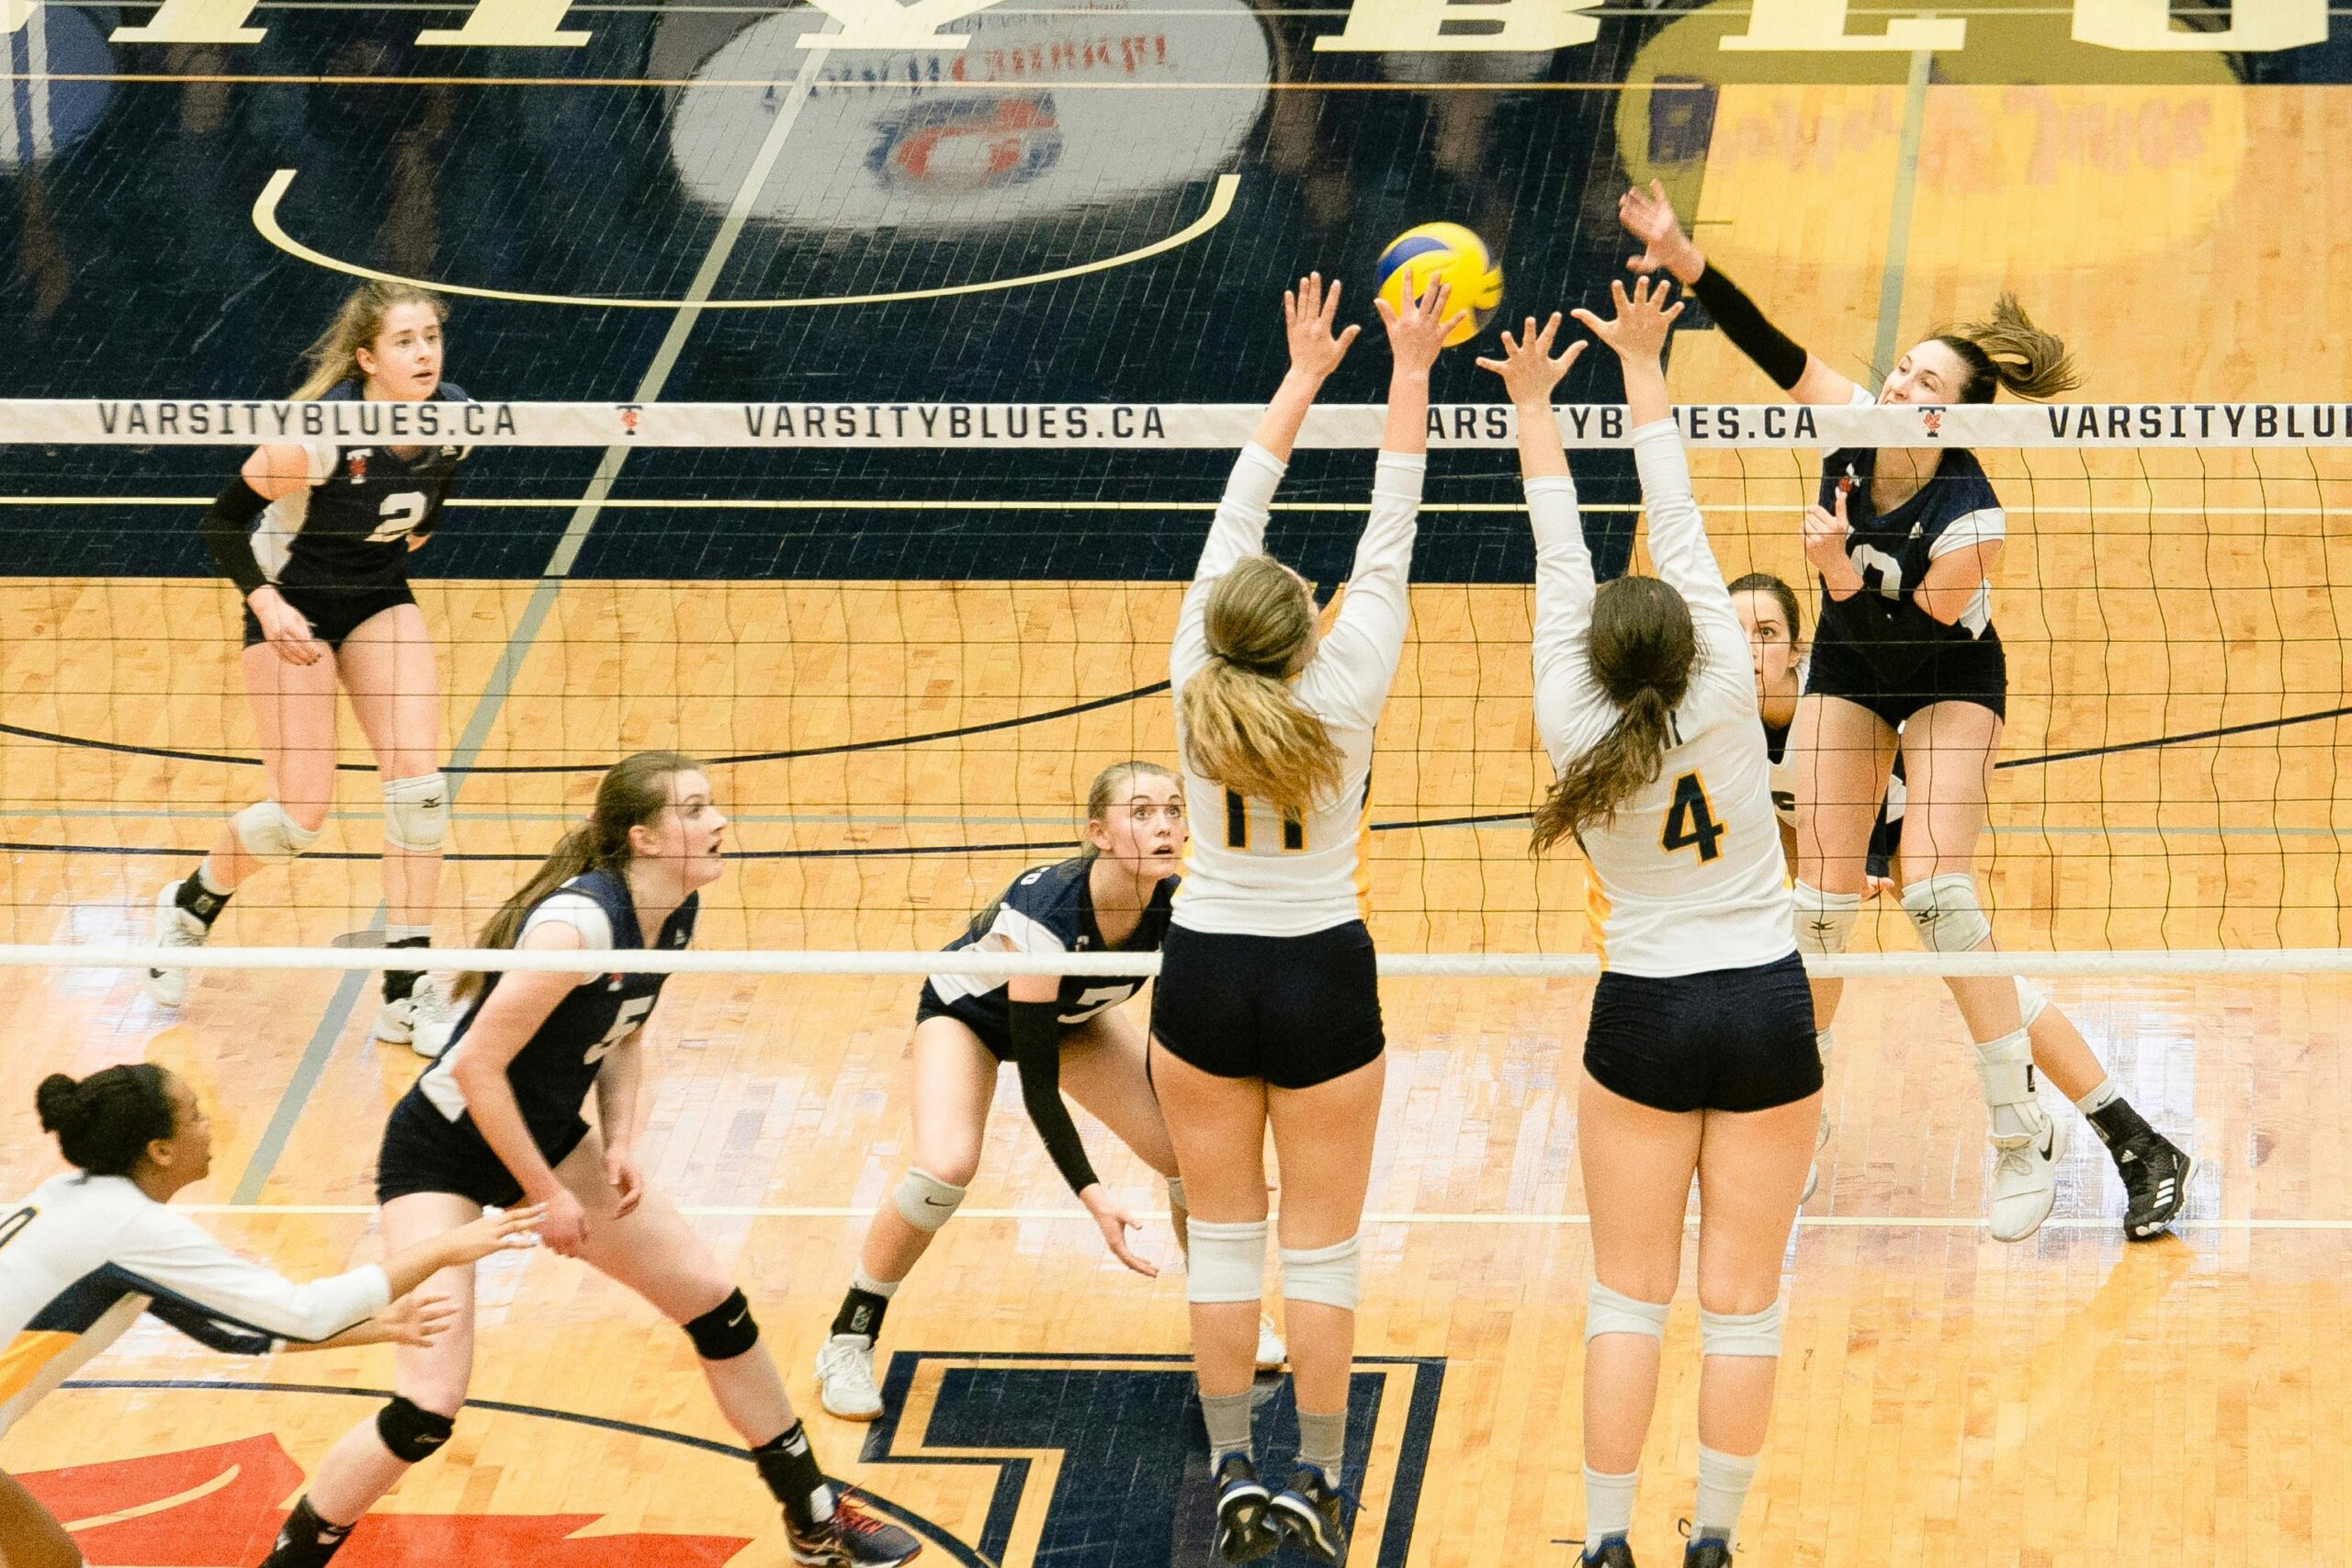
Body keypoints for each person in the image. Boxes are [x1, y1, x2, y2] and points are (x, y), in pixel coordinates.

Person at [1619, 180, 2194, 1241]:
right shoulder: (1850, 427)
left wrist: (1838, 570)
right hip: (1852, 672)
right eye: (1899, 366)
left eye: (1923, 380)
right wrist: (1683, 255)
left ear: (1952, 412)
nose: (1896, 382)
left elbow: (1926, 632)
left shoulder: (1973, 516)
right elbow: (1768, 343)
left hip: (1945, 685)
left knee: (1936, 894)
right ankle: (1789, 1122)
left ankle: (2021, 1132)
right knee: (1821, 914)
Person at [257, 751, 921, 1568]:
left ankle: (814, 1515)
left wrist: (624, 1139)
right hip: (443, 1149)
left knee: (717, 1306)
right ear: (642, 836)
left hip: (544, 1132)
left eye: (713, 806)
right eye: (695, 809)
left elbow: (624, 1032)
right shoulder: (575, 927)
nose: (719, 822)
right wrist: (547, 1195)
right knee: (428, 1405)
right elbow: (472, 1068)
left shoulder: (672, 910)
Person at [1495, 281, 1814, 1567]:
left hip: (1642, 1008)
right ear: (1696, 644)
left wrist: (1531, 405)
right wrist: (1643, 361)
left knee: (1628, 1294)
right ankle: (1716, 1543)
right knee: (1743, 1303)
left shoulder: (1574, 724)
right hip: (1768, 1004)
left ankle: (1606, 1545)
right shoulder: (1736, 683)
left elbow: (1559, 544)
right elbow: (1672, 507)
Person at [1148, 271, 1449, 1564]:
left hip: (1205, 974)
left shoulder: (1187, 675)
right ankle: (1319, 1477)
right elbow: (1395, 522)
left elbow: (1240, 499)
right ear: (1307, 629)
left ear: (1226, 631)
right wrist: (1408, 364)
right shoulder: (1348, 686)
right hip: (1324, 971)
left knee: (1224, 1241)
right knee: (1320, 1249)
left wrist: (1301, 374)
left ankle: (1227, 1464)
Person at [814, 761, 1288, 1421]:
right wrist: (1093, 1193)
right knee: (945, 1168)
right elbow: (1038, 1087)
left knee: (1189, 1156)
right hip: (971, 1018)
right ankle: (848, 1336)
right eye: (1142, 811)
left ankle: (1223, 1309)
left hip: (1075, 1019)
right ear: (1098, 831)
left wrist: (1225, 1146)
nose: (1164, 825)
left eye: (1174, 810)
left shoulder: (1180, 905)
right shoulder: (1045, 915)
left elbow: (1190, 1042)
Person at [1729, 573, 2196, 1232]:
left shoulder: (1830, 699)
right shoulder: (1723, 725)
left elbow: (1896, 766)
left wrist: (1864, 858)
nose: (1750, 649)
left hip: (1908, 832)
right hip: (1837, 857)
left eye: (1766, 633)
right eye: (1734, 633)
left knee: (1984, 982)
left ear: (1798, 648)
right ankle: (1795, 1120)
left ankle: (2138, 1144)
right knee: (1803, 952)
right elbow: (1787, 816)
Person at [1, 1064, 539, 1568]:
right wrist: (444, 1248)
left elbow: (226, 1332)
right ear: (161, 1149)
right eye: (194, 1114)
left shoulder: (70, 1202)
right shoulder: (129, 1228)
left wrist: (374, 1329)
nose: (209, 1124)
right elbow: (303, 1313)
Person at [146, 281, 469, 1049]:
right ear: (367, 358)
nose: (424, 353)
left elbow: (428, 511)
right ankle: (191, 902)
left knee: (419, 788)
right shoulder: (316, 439)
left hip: (376, 595)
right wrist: (266, 604)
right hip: (290, 602)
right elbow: (222, 521)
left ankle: (404, 989)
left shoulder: (455, 419)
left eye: (430, 337)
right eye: (404, 341)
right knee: (299, 816)